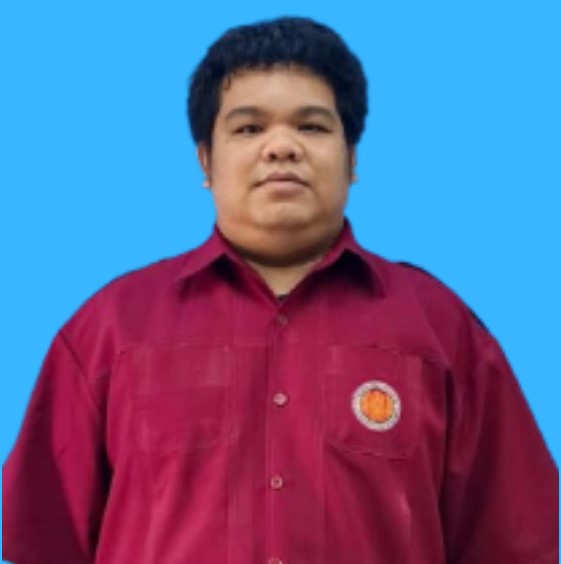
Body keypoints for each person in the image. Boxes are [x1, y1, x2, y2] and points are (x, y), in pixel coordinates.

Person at [2, 16, 557, 564]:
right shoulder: (112, 328)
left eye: (312, 127)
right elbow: (41, 539)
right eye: (249, 129)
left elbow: (514, 542)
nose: (281, 147)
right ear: (205, 160)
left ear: (352, 159)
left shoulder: (440, 328)